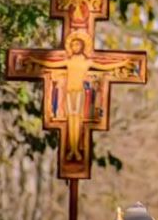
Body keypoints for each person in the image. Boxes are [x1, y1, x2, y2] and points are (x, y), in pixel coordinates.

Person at [27, 31, 135, 161]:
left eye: (78, 45)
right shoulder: (68, 60)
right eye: (73, 45)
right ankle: (73, 149)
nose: (75, 47)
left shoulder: (87, 62)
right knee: (70, 119)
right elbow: (52, 64)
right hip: (68, 92)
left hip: (79, 93)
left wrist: (120, 64)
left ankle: (75, 149)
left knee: (76, 120)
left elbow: (104, 66)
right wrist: (35, 60)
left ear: (82, 46)